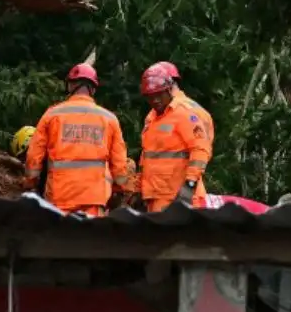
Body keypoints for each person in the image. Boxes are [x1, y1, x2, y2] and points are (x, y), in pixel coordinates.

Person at [24, 62, 132, 218]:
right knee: (89, 241)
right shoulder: (109, 119)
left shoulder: (52, 115)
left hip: (59, 199)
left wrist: (30, 183)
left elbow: (34, 157)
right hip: (94, 199)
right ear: (93, 89)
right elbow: (120, 166)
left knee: (60, 241)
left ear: (70, 86)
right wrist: (119, 190)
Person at [137, 61, 212, 211]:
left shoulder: (183, 114)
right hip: (156, 197)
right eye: (151, 97)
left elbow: (201, 149)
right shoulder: (151, 119)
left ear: (169, 90)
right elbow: (148, 157)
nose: (155, 100)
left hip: (180, 197)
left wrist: (190, 184)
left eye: (159, 95)